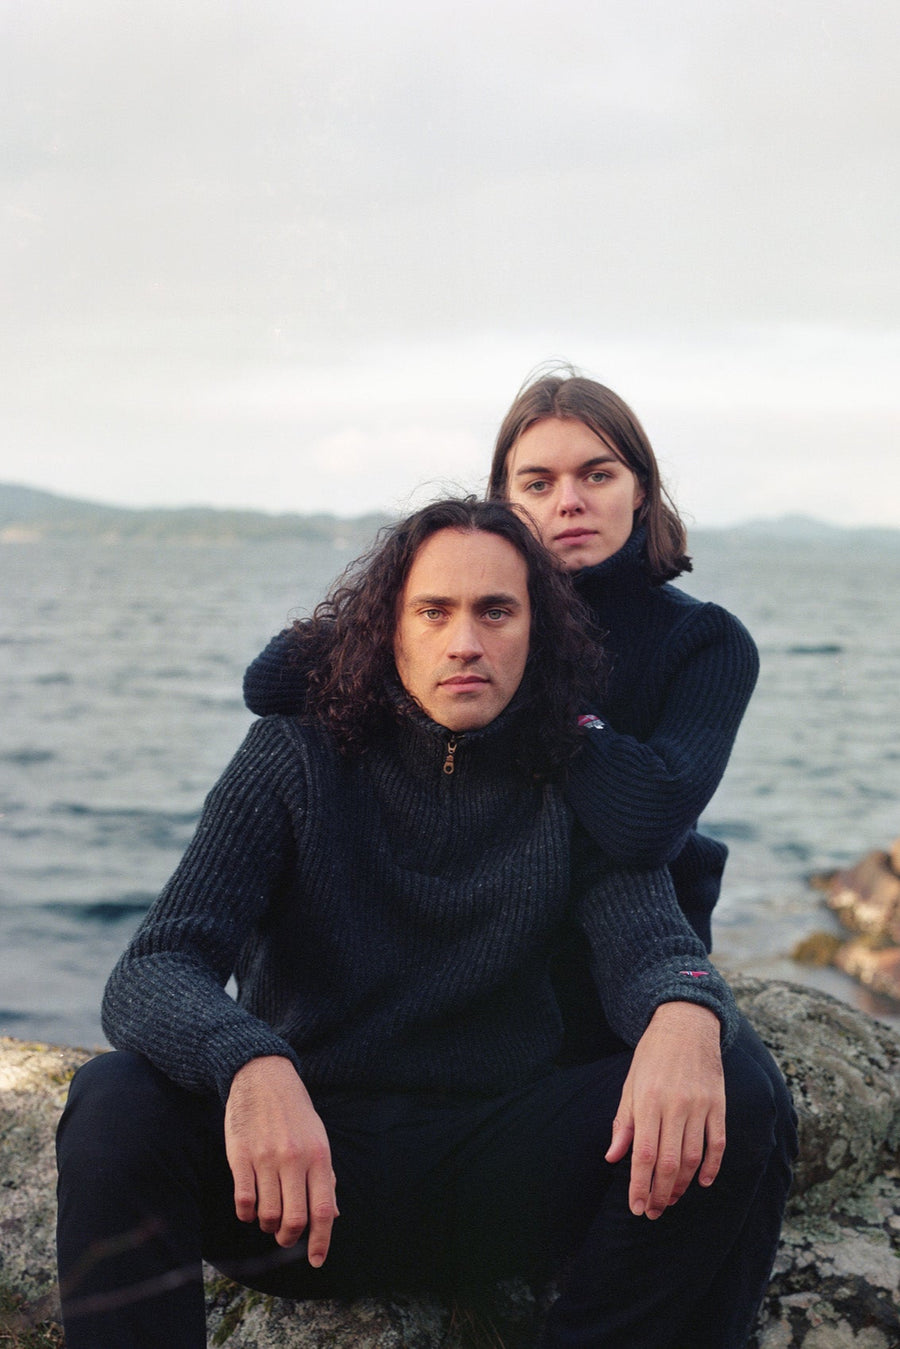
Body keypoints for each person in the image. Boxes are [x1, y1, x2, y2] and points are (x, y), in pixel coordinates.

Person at [56, 498, 794, 1349]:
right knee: (112, 1100)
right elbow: (155, 966)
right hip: (301, 1191)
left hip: (498, 1179)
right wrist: (250, 1063)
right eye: (434, 611)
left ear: (537, 632)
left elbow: (652, 947)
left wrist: (684, 1008)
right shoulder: (295, 753)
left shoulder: (567, 770)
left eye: (496, 611)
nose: (465, 641)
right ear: (390, 630)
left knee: (733, 1083)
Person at [244, 369, 758, 955]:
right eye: (538, 484)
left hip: (634, 949)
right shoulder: (469, 617)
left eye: (597, 475)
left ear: (640, 488)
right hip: (483, 934)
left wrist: (534, 681)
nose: (569, 502)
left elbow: (649, 822)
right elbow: (270, 682)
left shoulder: (706, 641)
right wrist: (398, 615)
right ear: (505, 501)